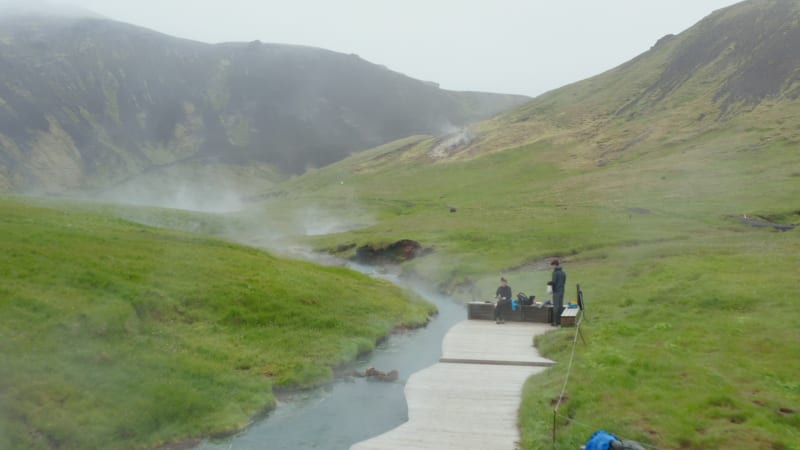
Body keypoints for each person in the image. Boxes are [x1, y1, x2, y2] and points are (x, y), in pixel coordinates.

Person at [549, 259, 567, 326]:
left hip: (556, 291)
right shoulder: (563, 272)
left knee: (555, 307)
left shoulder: (555, 272)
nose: (552, 267)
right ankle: (560, 321)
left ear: (555, 265)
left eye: (552, 265)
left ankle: (555, 322)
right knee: (560, 306)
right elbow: (564, 282)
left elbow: (553, 282)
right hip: (562, 291)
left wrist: (550, 287)